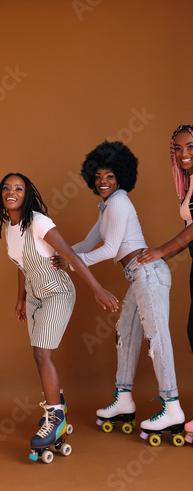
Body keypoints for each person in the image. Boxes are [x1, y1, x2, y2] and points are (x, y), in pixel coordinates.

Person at [51, 141, 185, 440]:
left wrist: (72, 264)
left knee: (156, 337)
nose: (102, 181)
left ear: (120, 177)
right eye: (98, 176)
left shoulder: (120, 202)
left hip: (148, 273)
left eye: (109, 175)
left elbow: (110, 248)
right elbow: (87, 244)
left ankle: (172, 404)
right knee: (126, 333)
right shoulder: (107, 206)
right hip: (138, 276)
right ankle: (123, 399)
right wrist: (58, 255)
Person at [0, 173, 118, 453]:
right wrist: (21, 298)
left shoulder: (38, 222)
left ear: (27, 195)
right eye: (6, 188)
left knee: (42, 353)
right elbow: (22, 264)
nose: (11, 192)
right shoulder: (9, 228)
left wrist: (97, 289)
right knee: (37, 354)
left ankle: (55, 417)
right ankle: (56, 403)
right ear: (1, 195)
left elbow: (71, 256)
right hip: (35, 296)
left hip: (57, 292)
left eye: (18, 188)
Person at [137, 124, 193, 441]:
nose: (184, 153)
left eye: (190, 147)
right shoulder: (189, 184)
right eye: (178, 148)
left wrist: (161, 250)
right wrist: (163, 258)